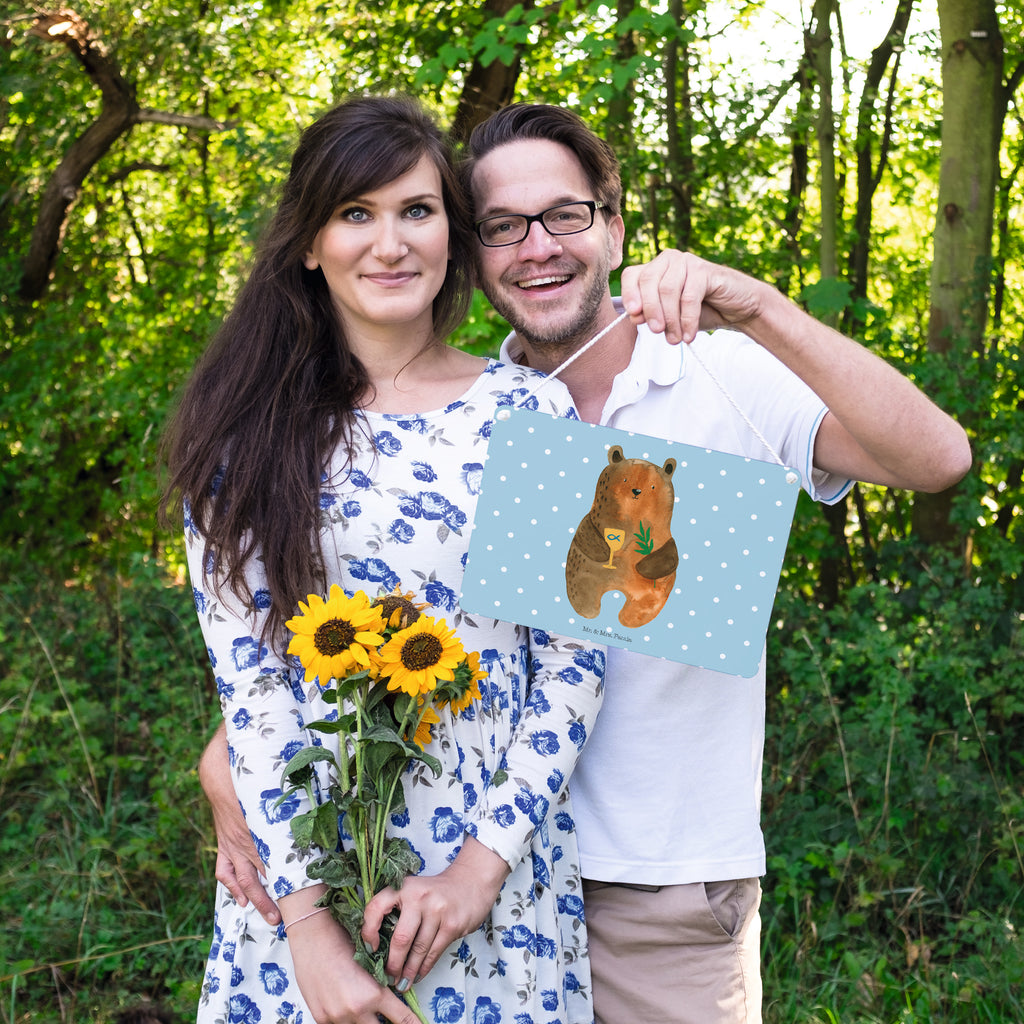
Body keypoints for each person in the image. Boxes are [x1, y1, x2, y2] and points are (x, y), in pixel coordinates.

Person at [201, 102, 972, 1023]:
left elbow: (938, 461)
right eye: (502, 227)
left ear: (612, 225)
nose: (537, 247)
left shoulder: (707, 373)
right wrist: (232, 767)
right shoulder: (461, 415)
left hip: (654, 886)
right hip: (437, 876)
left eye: (564, 215)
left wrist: (760, 307)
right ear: (474, 250)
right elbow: (357, 629)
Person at [163, 96, 609, 1024]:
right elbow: (253, 691)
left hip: (492, 886)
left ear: (452, 230)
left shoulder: (533, 415)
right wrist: (311, 937)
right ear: (308, 244)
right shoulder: (244, 439)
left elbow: (574, 664)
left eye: (417, 210)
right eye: (355, 214)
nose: (391, 243)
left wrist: (478, 874)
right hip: (303, 884)